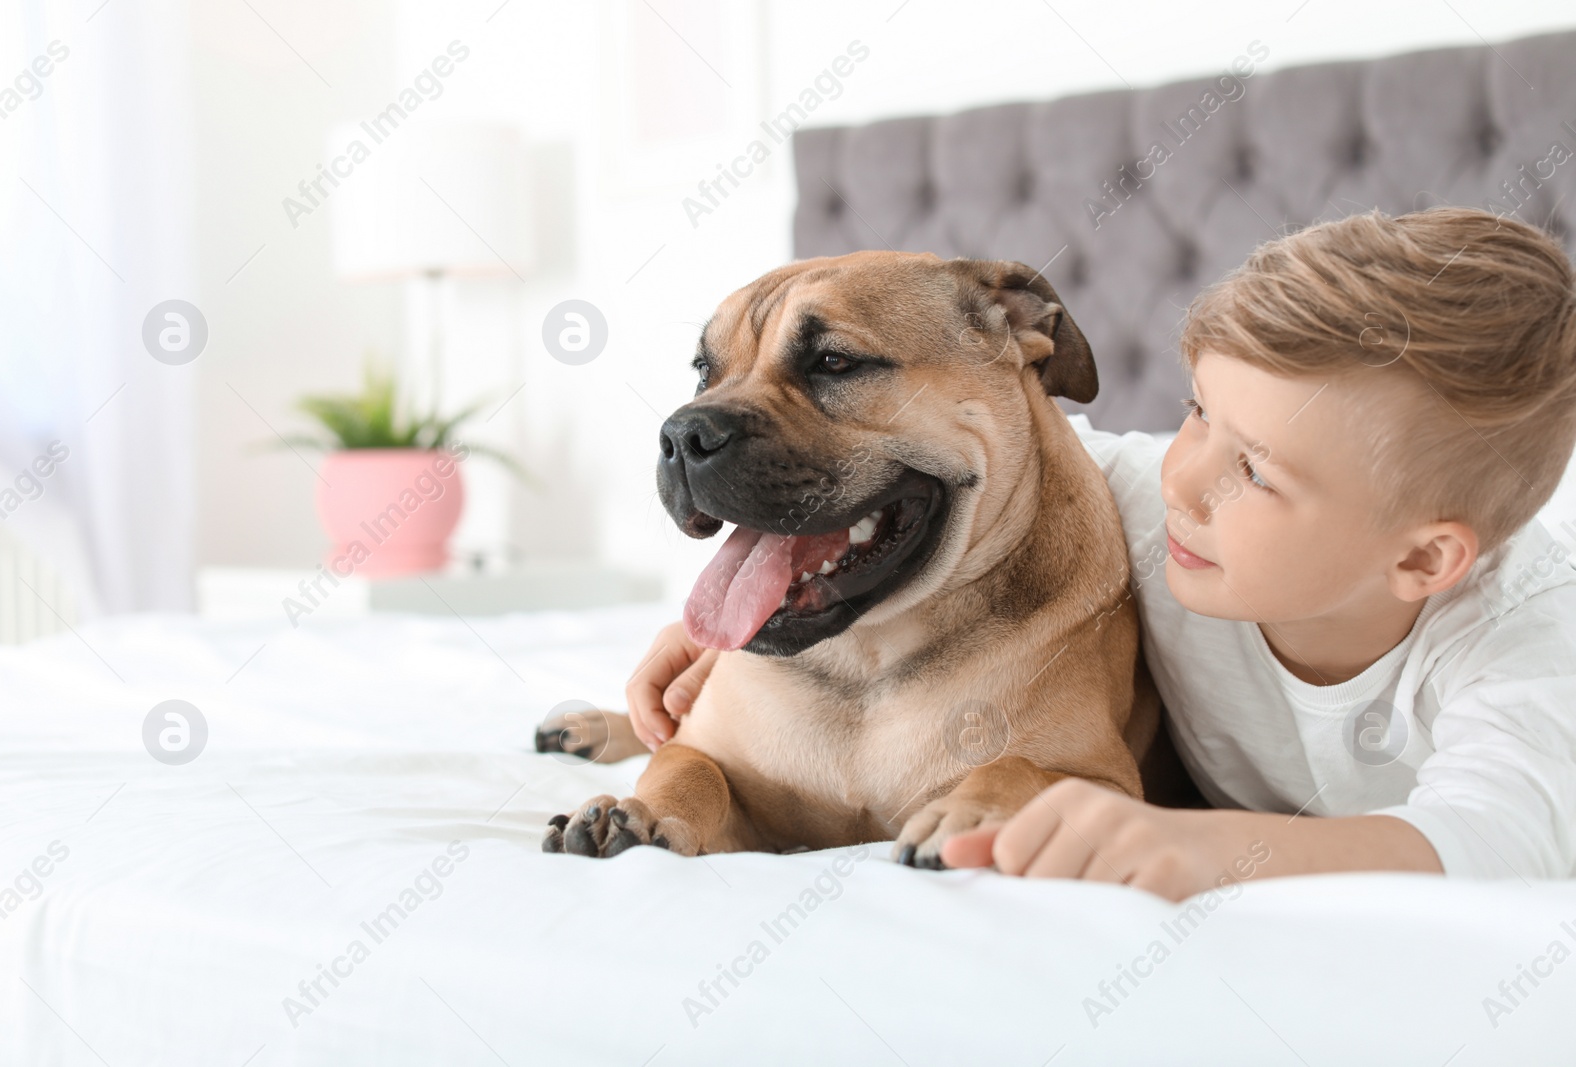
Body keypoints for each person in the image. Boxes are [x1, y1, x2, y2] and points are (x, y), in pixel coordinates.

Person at [625, 207, 1576, 901]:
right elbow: (1024, 464)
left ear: (1423, 561)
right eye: (1197, 411)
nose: (1185, 480)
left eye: (1254, 468)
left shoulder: (1526, 640)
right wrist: (720, 626)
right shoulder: (1147, 497)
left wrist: (1205, 853)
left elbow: (1498, 836)